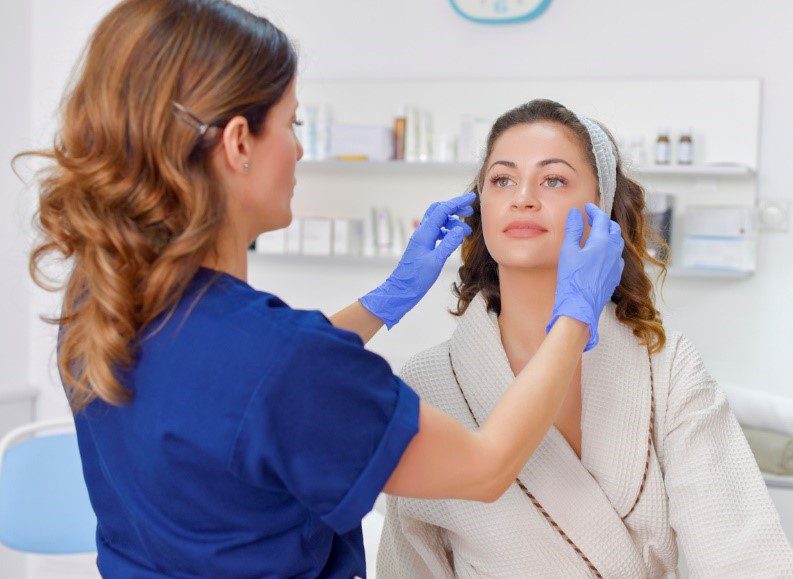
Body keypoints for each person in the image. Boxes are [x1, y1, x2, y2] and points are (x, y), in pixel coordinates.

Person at [21, 3, 624, 577]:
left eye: (552, 180)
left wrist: (383, 301)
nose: (300, 149)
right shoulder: (285, 362)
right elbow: (486, 466)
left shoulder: (100, 302)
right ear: (237, 144)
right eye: (292, 123)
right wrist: (576, 312)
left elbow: (234, 394)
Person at [377, 99, 793, 577]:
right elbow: (408, 562)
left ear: (601, 209)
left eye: (553, 179)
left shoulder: (664, 367)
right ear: (481, 206)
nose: (523, 197)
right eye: (501, 179)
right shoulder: (431, 382)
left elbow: (740, 550)